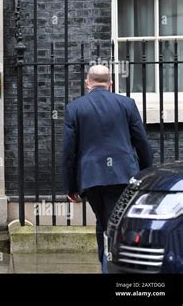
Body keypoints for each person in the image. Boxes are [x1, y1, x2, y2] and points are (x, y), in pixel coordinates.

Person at [62, 64, 153, 272]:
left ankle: (106, 265)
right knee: (116, 224)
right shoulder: (126, 104)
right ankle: (112, 267)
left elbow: (69, 152)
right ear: (110, 83)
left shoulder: (75, 108)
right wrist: (146, 174)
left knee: (104, 222)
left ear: (87, 83)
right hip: (122, 175)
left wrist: (70, 187)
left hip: (91, 178)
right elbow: (142, 142)